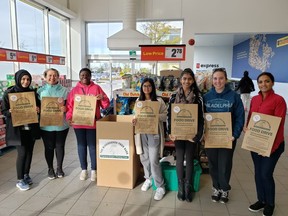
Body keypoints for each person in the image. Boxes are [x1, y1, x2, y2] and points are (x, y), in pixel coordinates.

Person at [246, 72, 286, 216]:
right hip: (256, 143)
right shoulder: (255, 99)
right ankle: (261, 200)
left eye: (267, 81)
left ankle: (270, 203)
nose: (263, 84)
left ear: (272, 83)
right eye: (261, 82)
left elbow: (279, 126)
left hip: (273, 145)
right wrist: (247, 129)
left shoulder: (279, 100)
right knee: (258, 173)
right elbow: (251, 117)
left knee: (265, 174)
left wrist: (270, 148)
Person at [203, 67, 244, 203]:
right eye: (215, 78)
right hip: (211, 137)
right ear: (212, 80)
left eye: (221, 78)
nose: (218, 81)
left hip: (228, 137)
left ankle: (224, 189)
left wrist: (235, 134)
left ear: (225, 80)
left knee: (225, 164)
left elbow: (240, 117)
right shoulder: (206, 97)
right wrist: (203, 133)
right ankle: (216, 187)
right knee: (213, 163)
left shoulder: (234, 97)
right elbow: (201, 117)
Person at [167, 68, 204, 202]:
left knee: (189, 159)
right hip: (177, 134)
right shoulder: (173, 96)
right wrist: (169, 132)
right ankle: (180, 187)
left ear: (193, 80)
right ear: (180, 80)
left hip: (191, 135)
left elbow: (201, 117)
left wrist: (198, 135)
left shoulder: (198, 97)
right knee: (179, 158)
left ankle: (187, 188)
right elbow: (169, 116)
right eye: (184, 78)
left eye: (189, 79)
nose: (186, 81)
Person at [66, 68, 110, 181]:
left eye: (86, 75)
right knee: (81, 146)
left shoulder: (96, 88)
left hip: (93, 123)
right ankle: (84, 170)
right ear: (79, 77)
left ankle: (94, 170)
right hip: (78, 123)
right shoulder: (74, 90)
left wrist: (103, 98)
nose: (84, 77)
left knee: (92, 146)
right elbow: (69, 107)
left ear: (90, 76)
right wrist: (69, 117)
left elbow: (105, 105)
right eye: (82, 75)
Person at [1, 69, 40, 191]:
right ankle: (19, 179)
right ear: (18, 79)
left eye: (28, 79)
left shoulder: (32, 93)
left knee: (29, 152)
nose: (25, 81)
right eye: (23, 79)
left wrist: (38, 109)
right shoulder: (9, 93)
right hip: (18, 130)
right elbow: (4, 111)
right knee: (22, 153)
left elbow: (38, 106)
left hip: (30, 128)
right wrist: (10, 112)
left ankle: (26, 174)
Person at [132, 77, 167, 201]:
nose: (147, 88)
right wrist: (134, 120)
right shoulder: (138, 101)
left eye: (149, 86)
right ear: (141, 88)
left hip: (154, 133)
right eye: (144, 86)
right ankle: (148, 178)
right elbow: (135, 115)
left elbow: (165, 116)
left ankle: (160, 186)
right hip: (142, 133)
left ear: (153, 87)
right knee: (144, 157)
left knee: (153, 159)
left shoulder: (158, 101)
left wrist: (155, 116)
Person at [37, 68, 69, 179]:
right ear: (45, 77)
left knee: (60, 146)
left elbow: (70, 106)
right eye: (49, 75)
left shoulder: (64, 91)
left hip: (61, 125)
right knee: (49, 147)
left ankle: (59, 168)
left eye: (55, 75)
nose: (52, 77)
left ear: (58, 77)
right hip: (46, 126)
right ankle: (50, 168)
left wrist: (66, 108)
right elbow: (36, 106)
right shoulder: (40, 91)